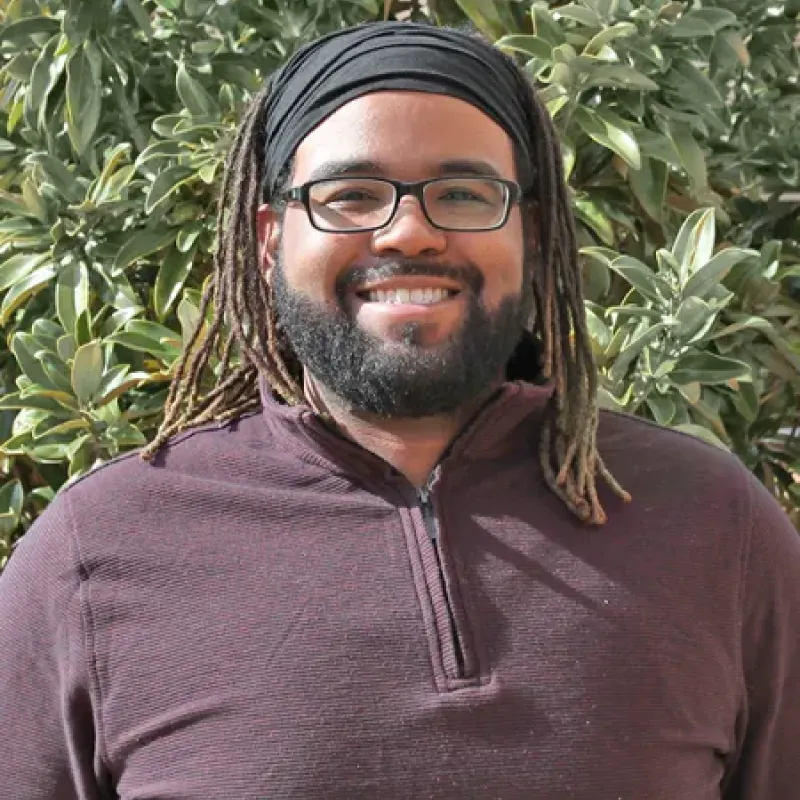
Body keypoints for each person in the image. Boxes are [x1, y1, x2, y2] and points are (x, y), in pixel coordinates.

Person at [1, 20, 798, 800]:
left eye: (462, 193)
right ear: (270, 239)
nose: (410, 232)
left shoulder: (713, 525)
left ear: (534, 232)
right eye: (350, 195)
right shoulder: (96, 552)